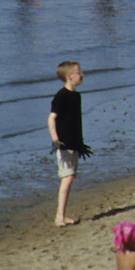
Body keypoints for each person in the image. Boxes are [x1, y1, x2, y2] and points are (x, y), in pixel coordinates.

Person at [48, 60, 86, 227]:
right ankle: (59, 217)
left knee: (70, 177)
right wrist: (56, 140)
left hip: (74, 142)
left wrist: (81, 143)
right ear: (70, 77)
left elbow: (76, 122)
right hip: (63, 144)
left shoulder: (76, 96)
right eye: (79, 73)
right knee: (67, 177)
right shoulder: (61, 96)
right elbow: (51, 119)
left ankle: (62, 215)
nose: (82, 75)